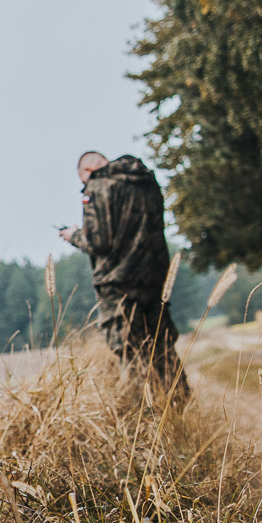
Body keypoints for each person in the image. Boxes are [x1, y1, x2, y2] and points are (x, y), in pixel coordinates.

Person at [59, 151, 188, 397]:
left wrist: (74, 235)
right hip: (154, 278)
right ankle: (182, 407)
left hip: (118, 284)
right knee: (163, 348)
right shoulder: (146, 181)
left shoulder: (98, 186)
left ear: (88, 171)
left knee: (130, 352)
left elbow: (98, 242)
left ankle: (144, 414)